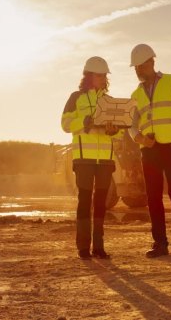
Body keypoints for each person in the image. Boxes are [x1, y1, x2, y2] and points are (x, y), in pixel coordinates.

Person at [128, 43, 171, 259]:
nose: (139, 70)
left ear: (152, 62)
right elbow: (131, 125)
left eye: (142, 65)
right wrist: (140, 139)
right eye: (136, 67)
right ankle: (160, 243)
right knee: (153, 198)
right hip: (149, 152)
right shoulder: (135, 94)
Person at [61, 56, 119, 260]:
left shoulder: (109, 101)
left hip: (105, 161)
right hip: (84, 160)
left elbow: (119, 133)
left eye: (105, 75)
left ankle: (99, 247)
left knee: (101, 203)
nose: (103, 78)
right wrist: (84, 121)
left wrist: (114, 130)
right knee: (84, 201)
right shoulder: (75, 98)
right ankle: (83, 247)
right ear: (88, 76)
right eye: (99, 75)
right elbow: (66, 125)